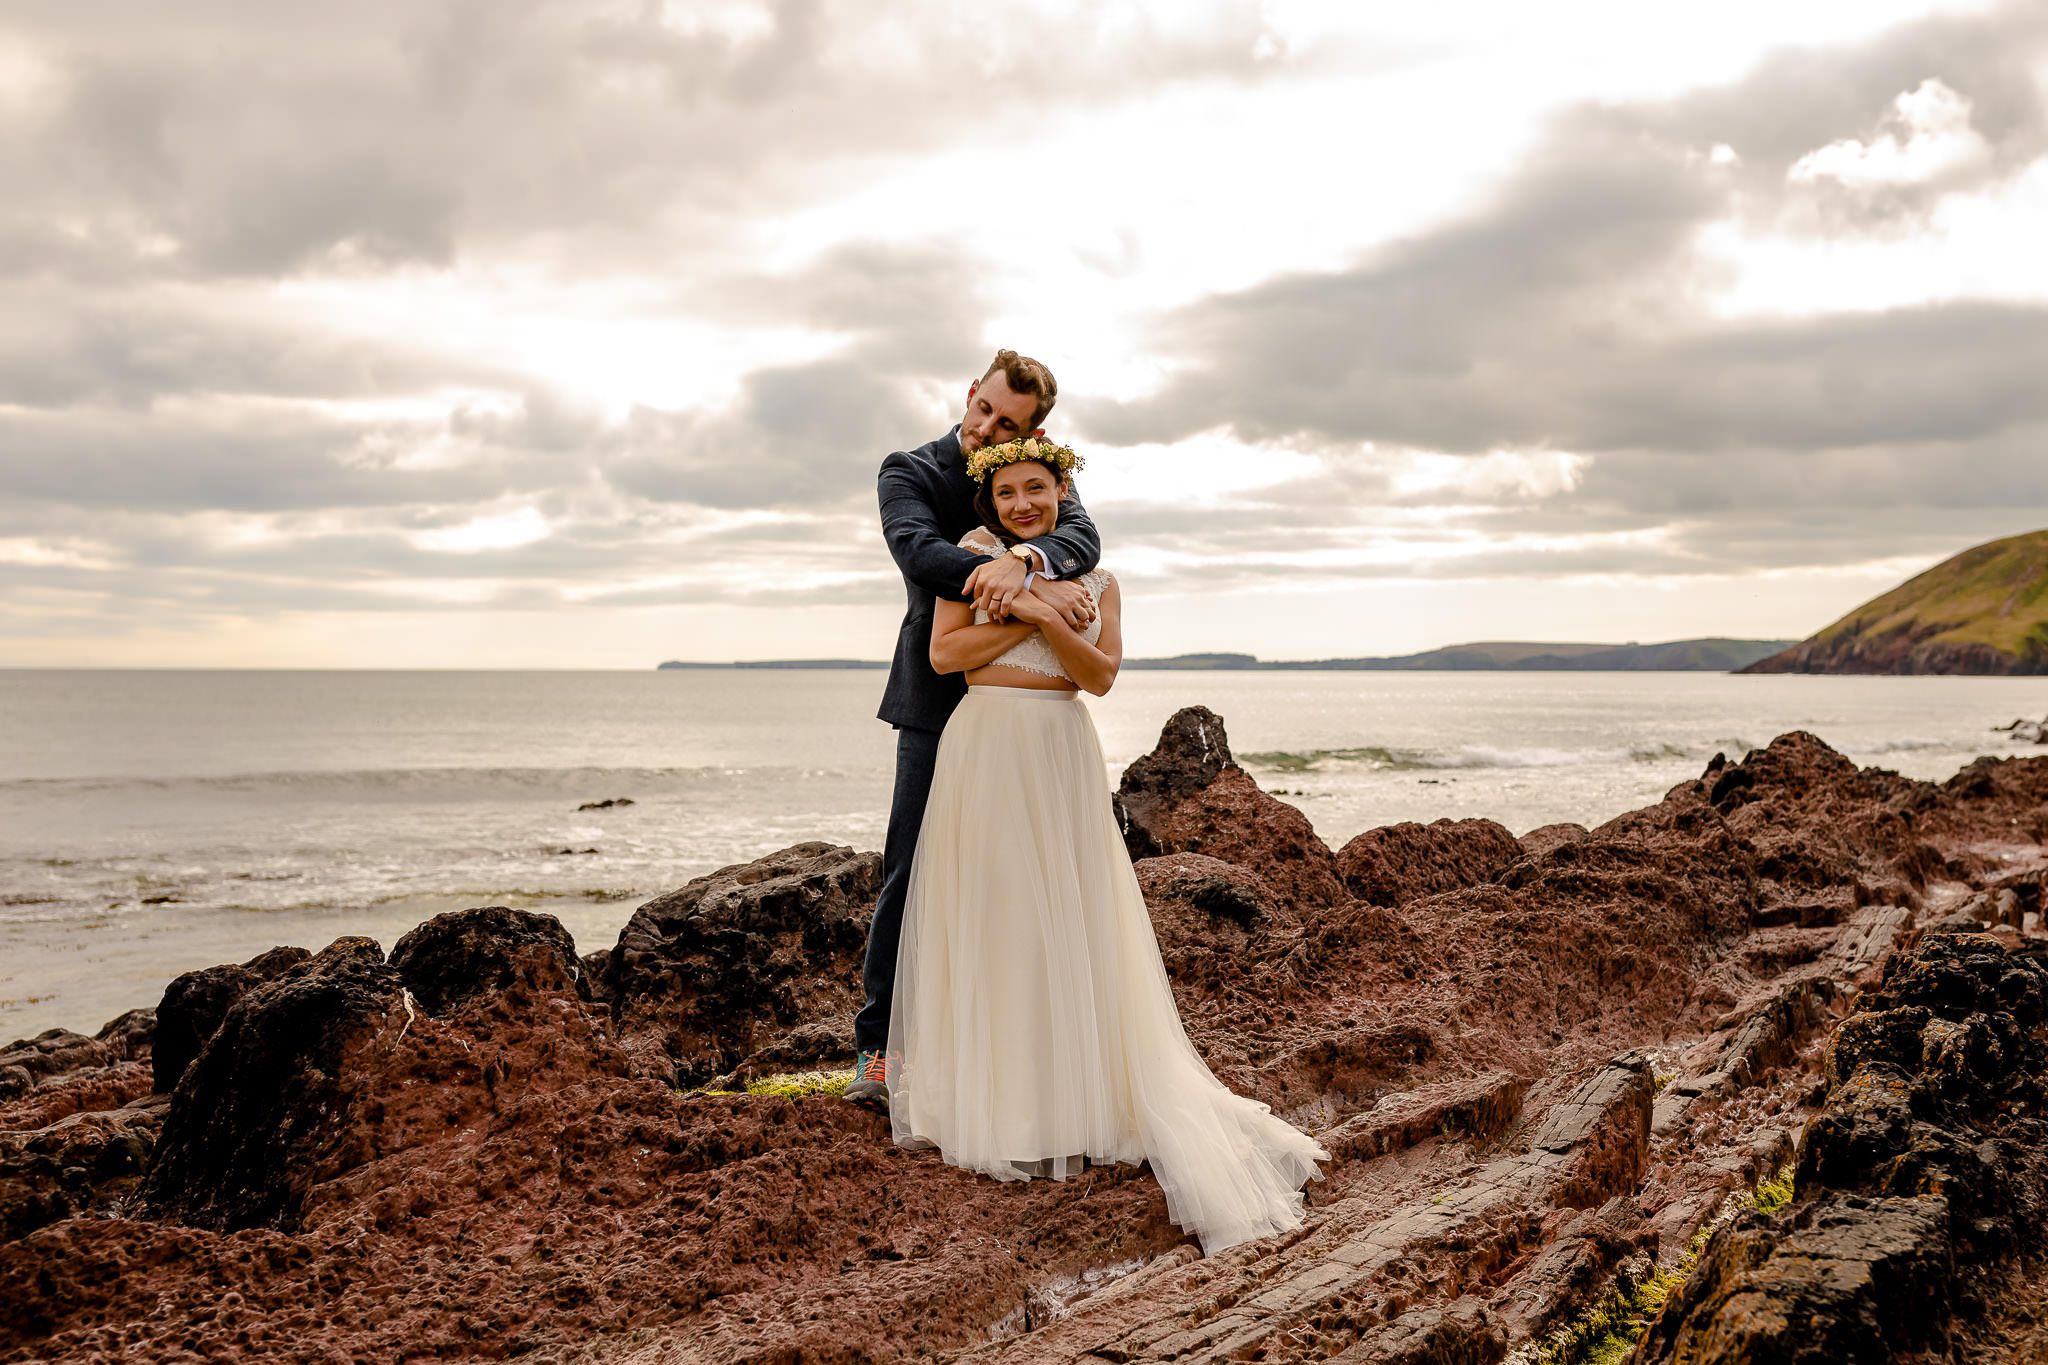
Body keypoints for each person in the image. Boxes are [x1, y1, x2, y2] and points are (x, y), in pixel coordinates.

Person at [882, 437, 1327, 1256]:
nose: (1023, 503)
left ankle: (1066, 1101)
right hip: (984, 747)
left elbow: (1098, 675)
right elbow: (947, 653)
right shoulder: (972, 559)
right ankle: (991, 1099)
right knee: (993, 915)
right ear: (991, 500)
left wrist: (1052, 612)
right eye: (1009, 491)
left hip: (1058, 746)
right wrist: (1038, 611)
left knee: (1069, 923)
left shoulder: (1100, 579)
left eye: (1038, 489)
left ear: (1062, 493)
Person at [847, 350, 1103, 1105]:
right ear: (970, 393)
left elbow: (1082, 537)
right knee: (911, 869)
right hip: (936, 700)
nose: (988, 427)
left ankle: (1007, 1049)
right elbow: (916, 551)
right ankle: (876, 1054)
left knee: (1022, 876)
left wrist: (1024, 554)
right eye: (984, 409)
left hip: (1022, 708)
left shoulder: (1036, 475)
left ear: (1036, 431)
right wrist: (1025, 599)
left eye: (1010, 422)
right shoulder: (910, 471)